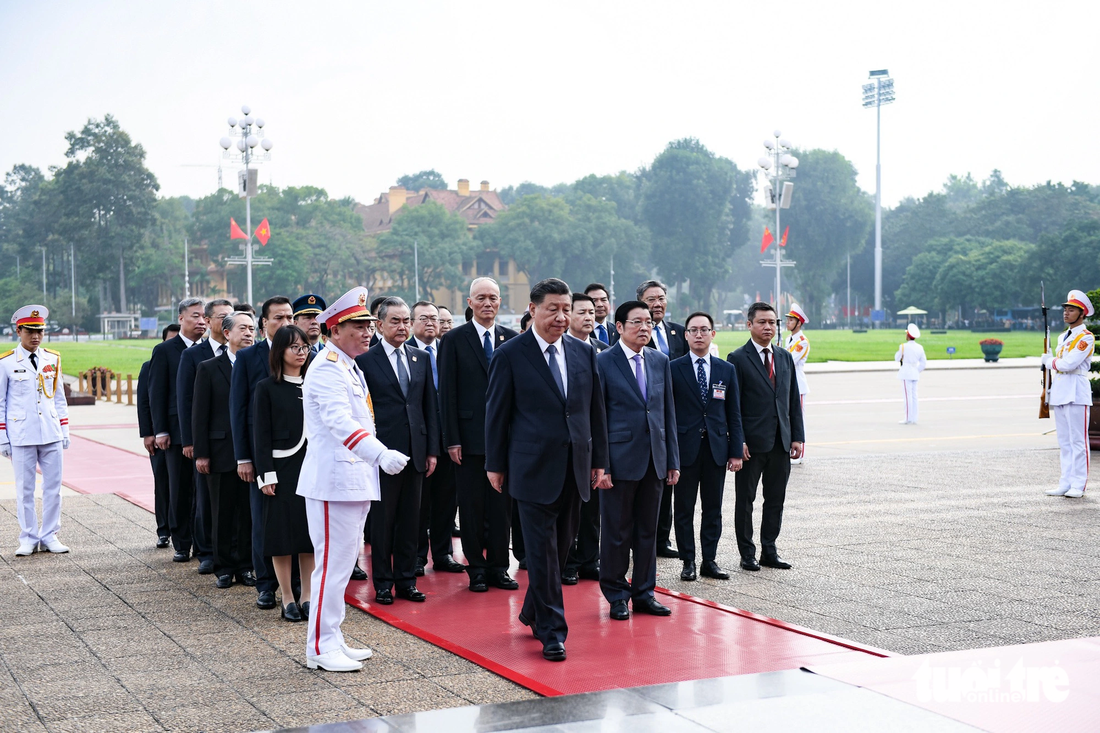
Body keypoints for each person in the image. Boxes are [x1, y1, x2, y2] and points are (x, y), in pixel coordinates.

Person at [485, 278, 608, 662]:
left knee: (560, 549)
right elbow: (497, 415)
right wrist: (495, 464)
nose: (561, 316)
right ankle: (552, 631)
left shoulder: (583, 353)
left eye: (566, 308)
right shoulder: (510, 354)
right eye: (552, 308)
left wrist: (600, 460)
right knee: (542, 555)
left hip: (575, 467)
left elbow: (594, 411)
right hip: (531, 468)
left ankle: (531, 610)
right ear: (532, 308)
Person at [298, 286, 409, 672]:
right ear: (334, 329)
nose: (368, 332)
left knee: (342, 566)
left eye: (368, 325)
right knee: (330, 566)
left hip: (351, 480)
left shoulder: (346, 363)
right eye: (359, 325)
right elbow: (339, 422)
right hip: (334, 481)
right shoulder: (328, 366)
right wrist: (380, 454)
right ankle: (319, 647)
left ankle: (332, 637)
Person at [596, 300, 679, 620]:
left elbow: (666, 412)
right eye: (636, 322)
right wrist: (602, 465)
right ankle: (617, 594)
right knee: (616, 532)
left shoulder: (660, 360)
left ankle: (644, 592)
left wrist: (672, 459)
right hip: (618, 461)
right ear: (619, 327)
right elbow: (598, 417)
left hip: (655, 461)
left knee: (648, 532)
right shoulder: (604, 361)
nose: (644, 328)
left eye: (648, 322)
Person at [438, 277, 520, 593]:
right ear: (469, 302)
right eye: (481, 298)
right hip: (468, 440)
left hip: (505, 440)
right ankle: (477, 570)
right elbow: (447, 394)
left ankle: (500, 567)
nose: (488, 303)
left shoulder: (511, 339)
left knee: (501, 508)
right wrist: (452, 439)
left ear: (500, 302)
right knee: (471, 507)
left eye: (493, 298)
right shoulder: (454, 340)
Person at [358, 297, 440, 604]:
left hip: (416, 451)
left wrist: (432, 450)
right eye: (395, 321)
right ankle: (383, 582)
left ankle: (407, 580)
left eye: (407, 320)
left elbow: (428, 407)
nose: (402, 326)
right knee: (383, 521)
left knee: (411, 520)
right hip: (381, 452)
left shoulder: (420, 357)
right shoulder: (366, 360)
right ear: (379, 325)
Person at [727, 302, 804, 572]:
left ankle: (769, 550)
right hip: (751, 445)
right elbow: (732, 405)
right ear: (749, 325)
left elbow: (792, 400)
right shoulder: (737, 358)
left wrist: (797, 436)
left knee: (775, 499)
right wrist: (738, 441)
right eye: (762, 322)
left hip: (781, 442)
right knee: (745, 501)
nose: (768, 327)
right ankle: (747, 552)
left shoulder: (784, 357)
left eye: (772, 322)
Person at [230, 295, 294, 609]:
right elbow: (238, 410)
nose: (286, 324)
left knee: (295, 521)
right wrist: (243, 457)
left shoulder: (302, 355)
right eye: (278, 318)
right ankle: (266, 584)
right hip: (260, 454)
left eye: (289, 317)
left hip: (297, 455)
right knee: (263, 520)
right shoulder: (247, 358)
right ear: (264, 323)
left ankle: (295, 586)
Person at [671, 312, 743, 582]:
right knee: (684, 508)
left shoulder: (726, 369)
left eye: (704, 330)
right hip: (685, 449)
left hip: (716, 449)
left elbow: (733, 413)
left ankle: (709, 560)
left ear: (714, 334)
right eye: (693, 330)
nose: (699, 334)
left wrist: (735, 451)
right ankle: (687, 561)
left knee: (713, 508)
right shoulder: (673, 368)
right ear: (686, 335)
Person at [253, 325, 316, 621]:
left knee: (308, 534)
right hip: (281, 467)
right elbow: (261, 435)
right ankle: (287, 598)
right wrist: (266, 475)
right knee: (281, 535)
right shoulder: (267, 387)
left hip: (312, 466)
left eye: (305, 347)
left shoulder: (315, 383)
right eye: (295, 348)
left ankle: (307, 596)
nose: (302, 353)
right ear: (280, 352)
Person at [193, 312, 256, 590]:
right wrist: (202, 453)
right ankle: (223, 567)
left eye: (252, 329)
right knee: (221, 511)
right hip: (219, 450)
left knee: (247, 512)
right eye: (242, 328)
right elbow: (199, 413)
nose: (248, 333)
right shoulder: (209, 367)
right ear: (227, 333)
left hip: (252, 452)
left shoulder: (260, 365)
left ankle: (245, 566)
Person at [1, 305, 70, 556]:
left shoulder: (52, 358)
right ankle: (28, 536)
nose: (36, 337)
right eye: (30, 331)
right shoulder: (7, 362)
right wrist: (2, 438)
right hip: (21, 434)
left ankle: (50, 534)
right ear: (18, 331)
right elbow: (1, 403)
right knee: (25, 489)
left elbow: (59, 398)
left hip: (50, 431)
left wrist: (65, 429)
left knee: (53, 487)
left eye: (40, 331)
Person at [178, 298, 235, 575]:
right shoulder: (193, 356)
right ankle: (207, 552)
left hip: (233, 441)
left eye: (231, 317)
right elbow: (188, 401)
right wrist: (191, 441)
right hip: (207, 440)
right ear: (210, 321)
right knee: (206, 499)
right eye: (222, 317)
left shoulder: (243, 353)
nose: (227, 322)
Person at [149, 298, 208, 563]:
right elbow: (157, 393)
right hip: (174, 433)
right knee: (180, 488)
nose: (201, 321)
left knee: (201, 490)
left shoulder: (209, 350)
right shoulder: (165, 350)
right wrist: (159, 430)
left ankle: (201, 542)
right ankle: (181, 542)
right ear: (181, 318)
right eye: (195, 316)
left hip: (204, 430)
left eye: (204, 316)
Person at [408, 302, 464, 575]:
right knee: (419, 503)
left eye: (435, 318)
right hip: (418, 438)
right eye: (424, 318)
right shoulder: (405, 352)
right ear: (411, 322)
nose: (431, 323)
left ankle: (443, 553)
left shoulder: (449, 349)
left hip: (448, 437)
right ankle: (418, 555)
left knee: (446, 499)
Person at [637, 279, 686, 559]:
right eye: (650, 299)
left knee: (670, 481)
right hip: (651, 418)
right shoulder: (636, 333)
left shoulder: (679, 333)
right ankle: (644, 537)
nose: (657, 304)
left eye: (661, 298)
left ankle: (662, 539)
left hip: (679, 418)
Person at [563, 291, 609, 585]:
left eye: (592, 312)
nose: (589, 317)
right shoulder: (559, 350)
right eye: (582, 312)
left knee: (593, 508)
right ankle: (568, 562)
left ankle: (590, 560)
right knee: (568, 509)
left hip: (594, 440)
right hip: (566, 442)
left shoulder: (604, 350)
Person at [1042, 290, 1095, 498]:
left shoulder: (1086, 338)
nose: (1066, 313)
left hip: (1076, 391)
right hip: (1062, 391)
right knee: (1064, 441)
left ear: (1081, 314)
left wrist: (1049, 361)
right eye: (1065, 309)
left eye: (1071, 310)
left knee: (1078, 441)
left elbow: (1068, 364)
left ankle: (1078, 484)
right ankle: (1065, 482)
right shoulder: (1063, 336)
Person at [139, 324, 179, 548]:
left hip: (181, 435)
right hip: (159, 436)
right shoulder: (150, 366)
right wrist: (148, 433)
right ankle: (163, 529)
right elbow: (145, 402)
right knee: (163, 482)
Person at [784, 304, 810, 464]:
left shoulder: (802, 341)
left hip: (798, 384)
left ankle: (800, 453)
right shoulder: (789, 339)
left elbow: (789, 360)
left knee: (799, 419)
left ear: (798, 323)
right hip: (787, 383)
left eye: (791, 320)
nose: (787, 322)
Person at [895, 323, 927, 425]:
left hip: (906, 373)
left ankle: (908, 418)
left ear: (908, 335)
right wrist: (917, 370)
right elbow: (923, 363)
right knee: (914, 396)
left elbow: (897, 358)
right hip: (914, 372)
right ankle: (914, 418)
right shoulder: (920, 347)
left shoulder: (903, 346)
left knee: (907, 396)